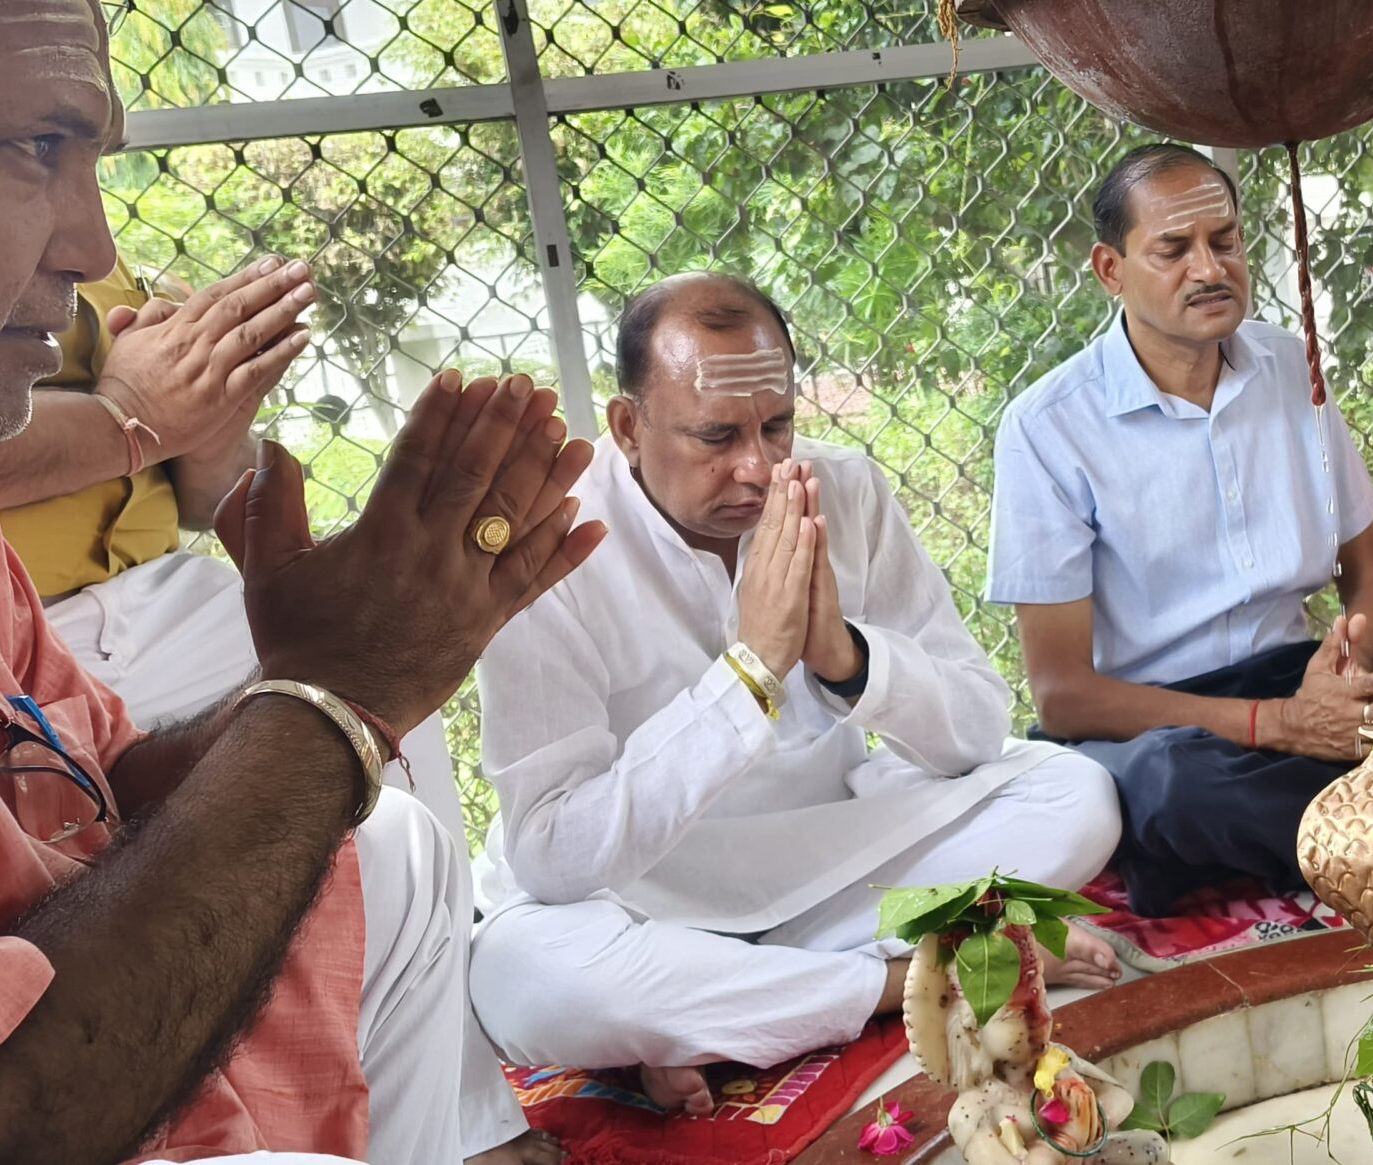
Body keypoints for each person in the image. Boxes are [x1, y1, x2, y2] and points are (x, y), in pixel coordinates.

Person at [0, 3, 604, 1164]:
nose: (90, 245)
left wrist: (321, 674)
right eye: (37, 147)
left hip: (49, 979)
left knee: (395, 851)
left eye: (94, 161)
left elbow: (100, 790)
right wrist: (330, 700)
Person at [467, 273, 1123, 1115]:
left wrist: (846, 658)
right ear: (628, 428)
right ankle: (915, 978)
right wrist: (749, 675)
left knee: (1077, 796)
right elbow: (552, 854)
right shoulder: (549, 544)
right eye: (716, 435)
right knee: (529, 981)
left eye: (776, 424)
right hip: (639, 899)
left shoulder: (842, 489)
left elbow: (975, 728)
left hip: (832, 856)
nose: (759, 467)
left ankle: (718, 1012)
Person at [0, 254, 543, 1164]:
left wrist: (213, 410)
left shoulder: (107, 272)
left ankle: (460, 1113)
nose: (90, 236)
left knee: (395, 695)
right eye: (43, 168)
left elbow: (201, 490)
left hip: (155, 588)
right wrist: (127, 414)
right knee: (341, 717)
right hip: (2, 617)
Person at [984, 144, 1373, 921]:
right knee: (1168, 786)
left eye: (1224, 240)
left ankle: (1319, 826)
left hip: (1305, 678)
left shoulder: (1290, 365)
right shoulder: (1048, 426)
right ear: (1110, 269)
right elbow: (1065, 698)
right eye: (1174, 249)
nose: (1209, 268)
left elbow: (1366, 573)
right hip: (1166, 723)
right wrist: (1280, 724)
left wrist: (1351, 681)